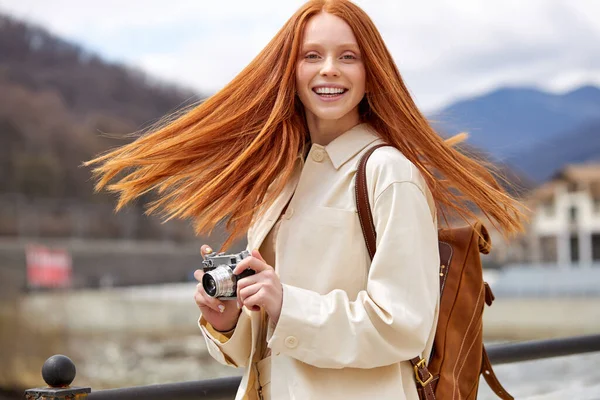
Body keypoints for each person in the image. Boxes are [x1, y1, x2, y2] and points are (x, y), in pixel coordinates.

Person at [86, 1, 525, 399]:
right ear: (290, 72)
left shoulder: (390, 173)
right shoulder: (281, 179)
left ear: (372, 73)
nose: (329, 69)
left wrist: (285, 302)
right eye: (311, 55)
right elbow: (268, 347)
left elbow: (404, 326)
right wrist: (229, 320)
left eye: (348, 56)